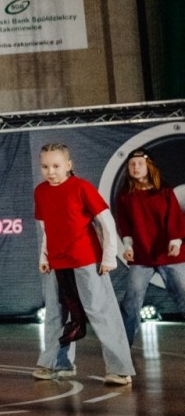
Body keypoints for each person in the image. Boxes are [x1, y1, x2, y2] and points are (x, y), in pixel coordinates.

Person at [32, 142, 137, 385]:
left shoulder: (82, 187)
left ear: (68, 165)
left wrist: (109, 257)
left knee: (101, 312)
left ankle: (120, 369)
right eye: (45, 167)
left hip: (87, 260)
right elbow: (47, 229)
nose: (50, 171)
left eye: (56, 166)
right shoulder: (41, 192)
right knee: (55, 315)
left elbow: (106, 222)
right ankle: (57, 364)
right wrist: (44, 257)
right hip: (58, 263)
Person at [113, 148, 185, 343]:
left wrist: (175, 241)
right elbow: (124, 225)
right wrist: (128, 247)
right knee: (131, 301)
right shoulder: (125, 196)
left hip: (169, 254)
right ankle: (123, 347)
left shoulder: (165, 192)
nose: (135, 167)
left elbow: (175, 219)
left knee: (183, 294)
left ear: (149, 167)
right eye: (131, 165)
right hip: (141, 256)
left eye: (139, 164)